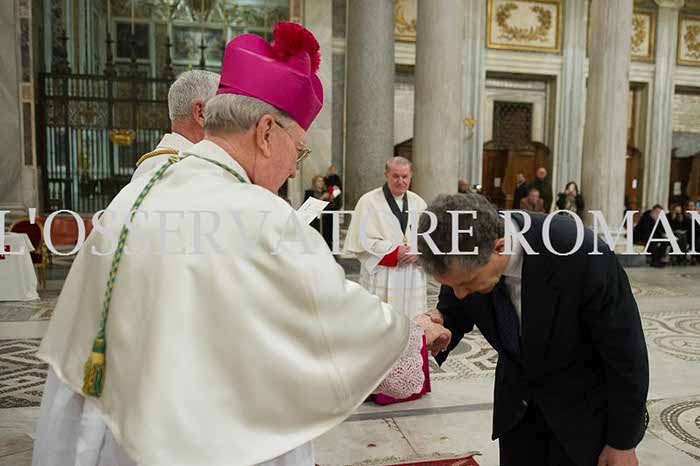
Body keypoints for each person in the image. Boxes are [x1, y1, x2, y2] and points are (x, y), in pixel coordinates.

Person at [33, 23, 451, 466]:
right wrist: (411, 335)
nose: (294, 170)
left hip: (109, 429)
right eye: (299, 150)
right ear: (266, 132)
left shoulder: (146, 184)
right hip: (203, 439)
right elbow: (329, 316)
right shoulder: (258, 213)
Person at [417, 193, 649, 466]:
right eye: (452, 285)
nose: (459, 293)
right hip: (517, 412)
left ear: (500, 247)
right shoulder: (463, 253)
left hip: (582, 416)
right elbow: (455, 307)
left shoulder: (581, 253)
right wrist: (438, 322)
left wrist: (622, 442)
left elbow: (626, 352)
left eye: (466, 284)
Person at [343, 156, 431, 404]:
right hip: (383, 275)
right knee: (380, 326)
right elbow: (361, 241)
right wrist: (394, 252)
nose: (400, 181)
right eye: (395, 176)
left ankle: (411, 385)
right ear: (386, 175)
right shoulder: (368, 202)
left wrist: (419, 251)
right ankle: (379, 389)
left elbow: (429, 238)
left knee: (411, 324)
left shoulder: (419, 202)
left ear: (411, 177)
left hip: (412, 276)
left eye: (405, 177)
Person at [132, 70, 220, 180]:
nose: (233, 118)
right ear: (200, 113)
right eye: (225, 109)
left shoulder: (147, 165)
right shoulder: (197, 170)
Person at [323, 164, 343, 247]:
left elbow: (340, 188)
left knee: (334, 220)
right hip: (328, 200)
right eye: (331, 169)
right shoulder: (326, 178)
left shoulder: (337, 178)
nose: (332, 171)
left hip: (335, 200)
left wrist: (334, 192)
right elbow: (325, 187)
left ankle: (334, 238)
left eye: (334, 170)